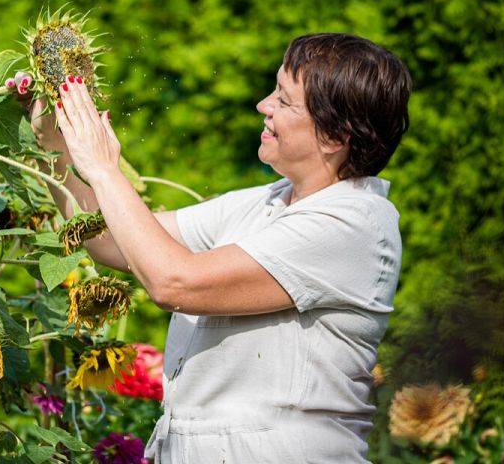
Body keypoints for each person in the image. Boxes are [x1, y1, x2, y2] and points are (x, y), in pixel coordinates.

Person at [32, 32, 410, 463]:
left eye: (284, 102)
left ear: (334, 136)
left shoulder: (352, 224)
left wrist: (103, 168)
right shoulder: (266, 202)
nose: (263, 106)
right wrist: (56, 147)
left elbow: (174, 283)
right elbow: (111, 241)